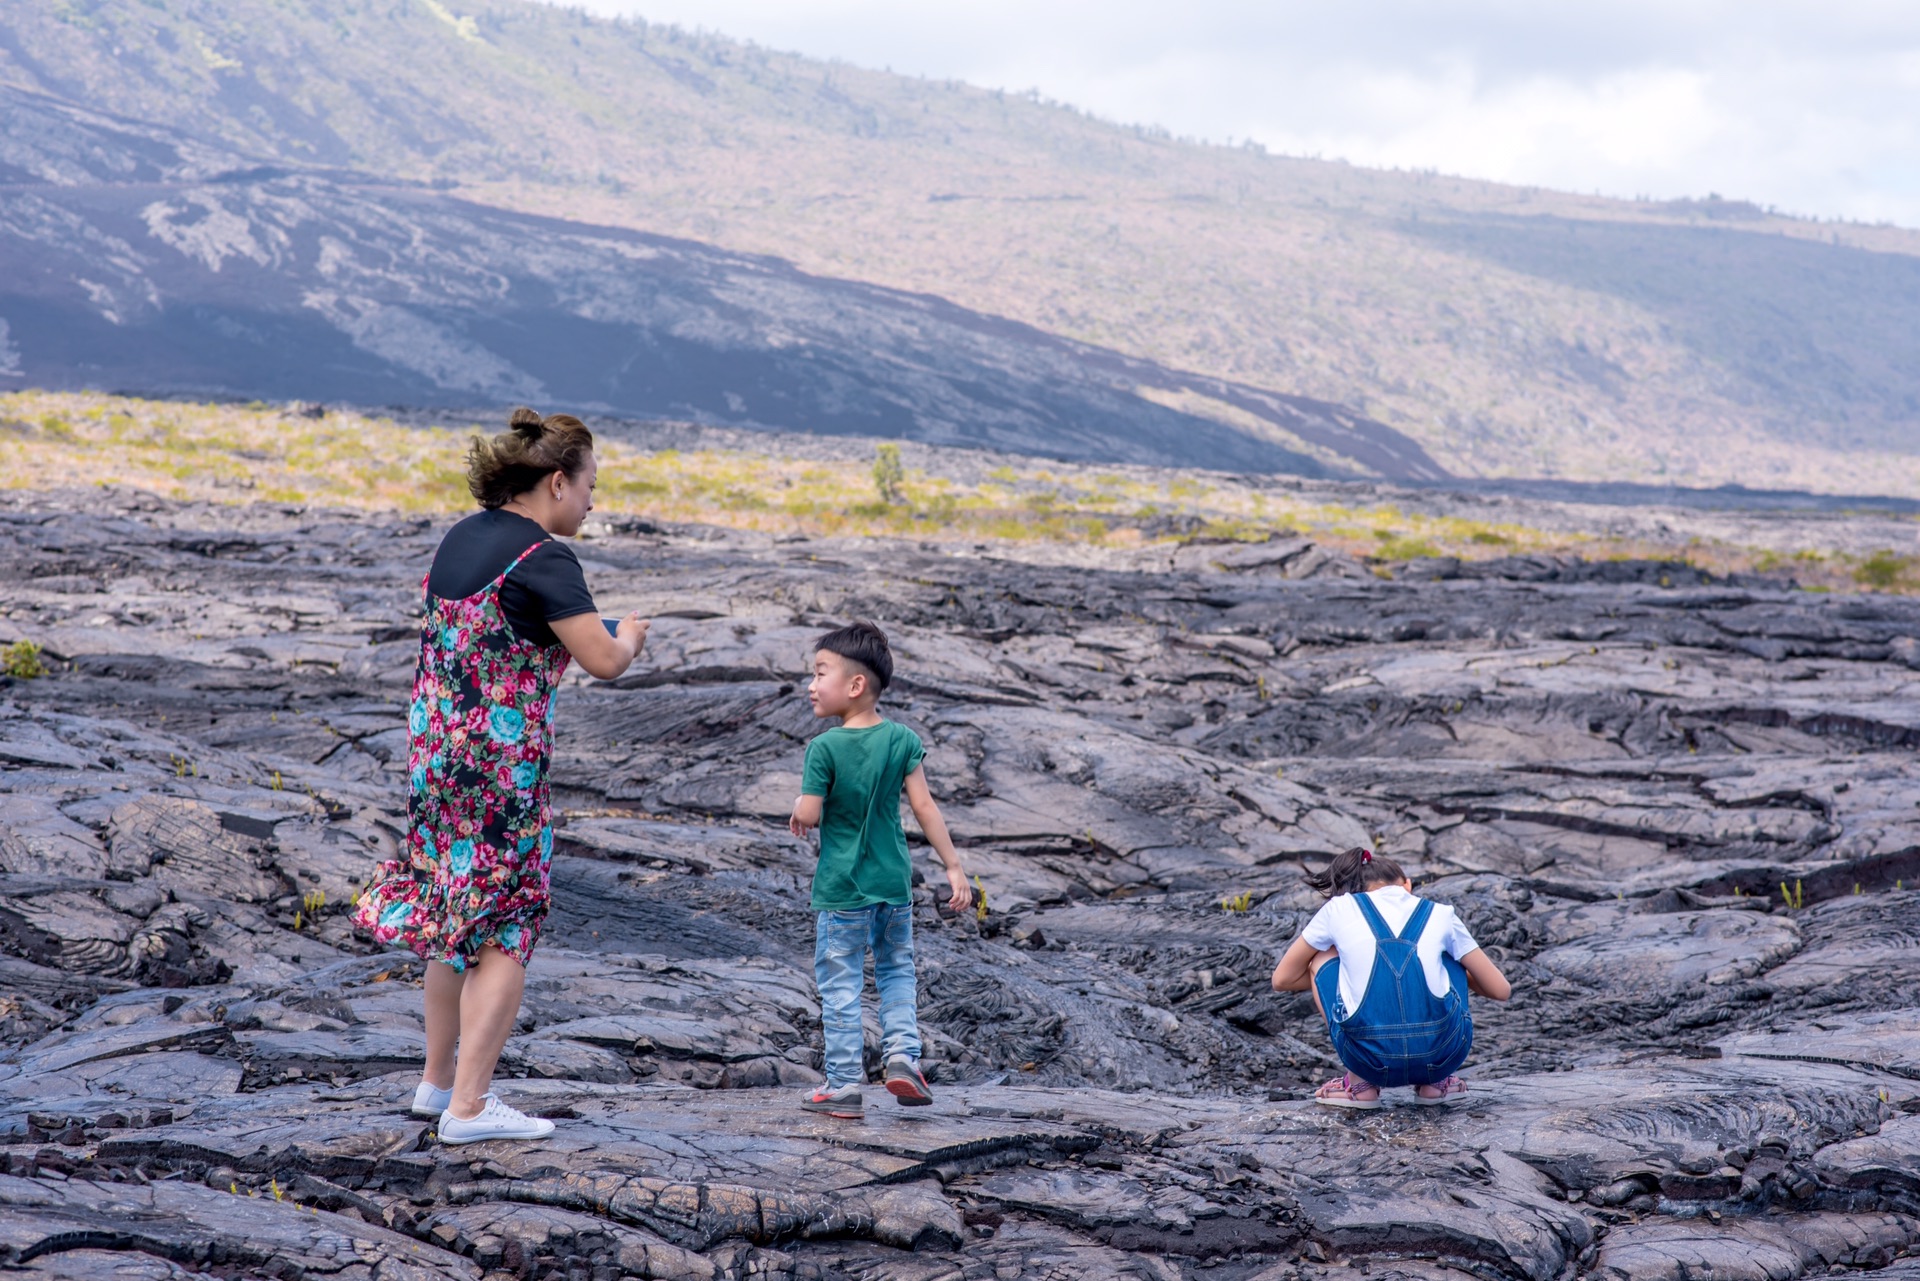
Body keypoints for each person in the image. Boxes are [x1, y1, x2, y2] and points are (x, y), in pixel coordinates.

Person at [353, 406, 650, 1145]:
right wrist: (632, 634)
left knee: (452, 918)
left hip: (435, 760)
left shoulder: (464, 536)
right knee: (508, 925)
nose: (592, 501)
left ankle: (434, 1083)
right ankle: (473, 1107)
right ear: (556, 481)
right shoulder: (543, 558)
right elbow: (604, 659)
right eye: (589, 486)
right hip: (499, 776)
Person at [787, 621, 971, 1119]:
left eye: (820, 673)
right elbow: (926, 807)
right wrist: (954, 868)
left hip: (843, 891)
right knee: (895, 972)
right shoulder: (902, 739)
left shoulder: (824, 748)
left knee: (842, 983)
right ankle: (903, 1058)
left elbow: (807, 812)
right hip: (894, 887)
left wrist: (802, 812)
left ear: (855, 685)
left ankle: (844, 1084)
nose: (810, 684)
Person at [1270, 846, 1511, 1109]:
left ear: (1355, 889)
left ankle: (1360, 1085)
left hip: (1368, 1061)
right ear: (1407, 885)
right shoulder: (1441, 913)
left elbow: (1282, 979)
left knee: (1319, 958)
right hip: (1442, 1057)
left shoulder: (1338, 908)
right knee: (1451, 956)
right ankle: (1437, 1084)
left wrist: (1348, 972)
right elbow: (1500, 990)